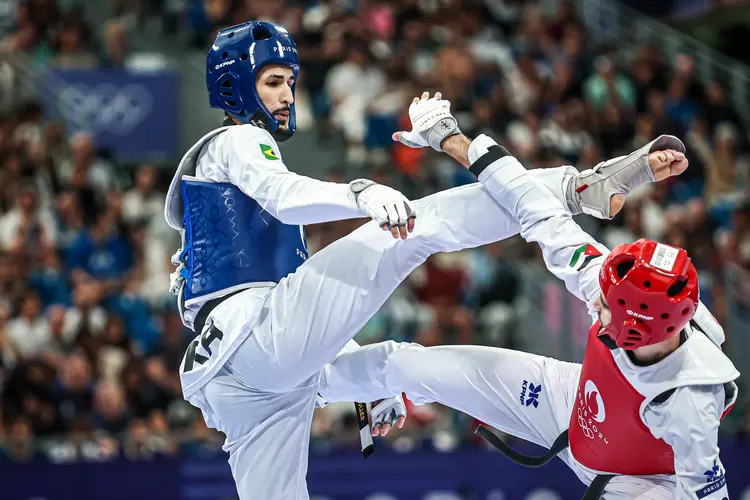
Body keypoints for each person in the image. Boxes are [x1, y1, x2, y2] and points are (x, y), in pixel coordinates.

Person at [165, 21, 667, 500]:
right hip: (256, 339)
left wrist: (368, 388)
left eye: (291, 82)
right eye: (273, 81)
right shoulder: (236, 140)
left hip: (241, 379)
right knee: (412, 228)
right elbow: (281, 194)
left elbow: (306, 308)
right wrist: (357, 192)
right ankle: (572, 189)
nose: (287, 95)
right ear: (236, 85)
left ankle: (573, 191)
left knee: (392, 365)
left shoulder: (234, 193)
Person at [318, 93, 740, 499]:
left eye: (607, 306)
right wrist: (448, 136)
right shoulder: (617, 285)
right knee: (406, 364)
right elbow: (536, 209)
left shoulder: (691, 402)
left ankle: (587, 185)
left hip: (640, 483)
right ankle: (304, 384)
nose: (595, 302)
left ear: (639, 324)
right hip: (570, 401)